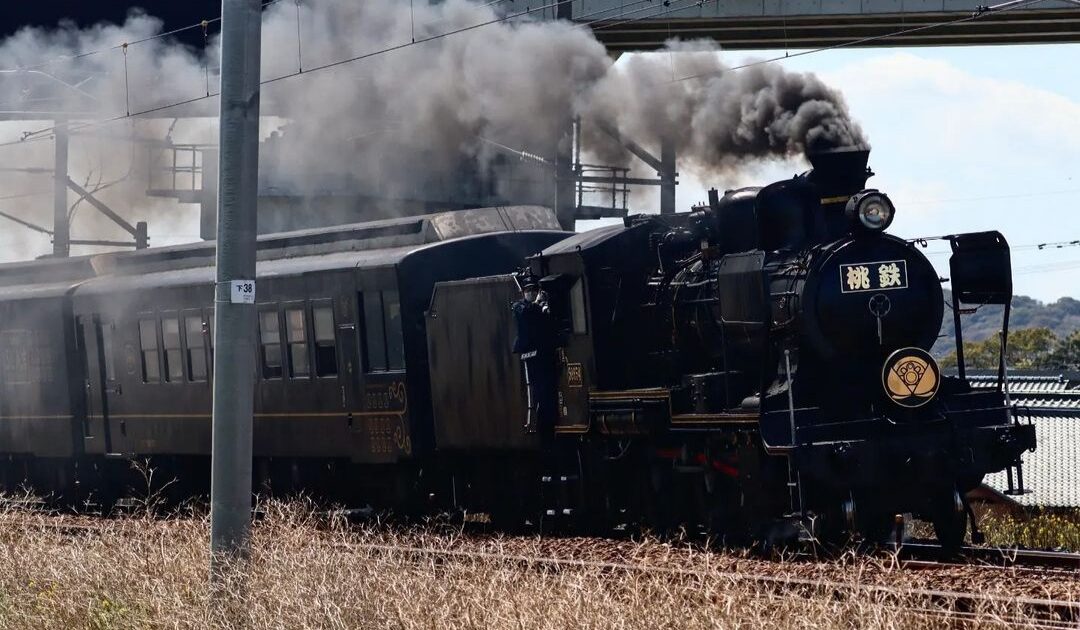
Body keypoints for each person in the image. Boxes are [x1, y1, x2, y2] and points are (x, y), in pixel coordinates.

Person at [512, 273, 558, 433]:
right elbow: (525, 313)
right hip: (530, 354)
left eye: (533, 289)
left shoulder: (541, 306)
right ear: (523, 292)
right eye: (528, 290)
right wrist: (537, 304)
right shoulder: (519, 307)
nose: (530, 292)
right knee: (537, 390)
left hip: (544, 353)